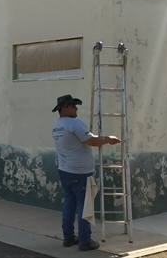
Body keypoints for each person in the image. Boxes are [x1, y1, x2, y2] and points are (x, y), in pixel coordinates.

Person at [51, 94, 121, 252]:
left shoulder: (57, 125)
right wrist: (109, 139)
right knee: (85, 207)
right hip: (80, 173)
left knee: (70, 204)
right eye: (73, 106)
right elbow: (92, 141)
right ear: (65, 108)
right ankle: (85, 240)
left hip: (65, 171)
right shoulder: (74, 123)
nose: (76, 109)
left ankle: (68, 237)